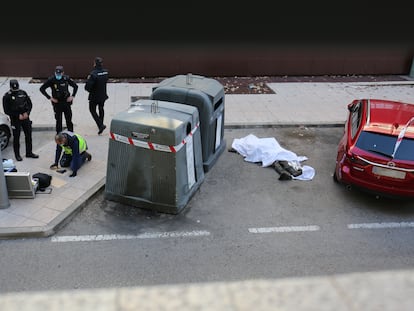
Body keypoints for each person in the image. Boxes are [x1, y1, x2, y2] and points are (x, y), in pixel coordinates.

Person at [2, 79, 39, 161]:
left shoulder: (23, 93)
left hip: (25, 117)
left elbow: (29, 104)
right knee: (16, 137)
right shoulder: (6, 96)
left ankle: (29, 152)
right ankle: (17, 155)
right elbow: (6, 110)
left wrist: (27, 113)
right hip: (16, 119)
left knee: (28, 135)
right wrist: (17, 115)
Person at [40, 65, 78, 133]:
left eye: (59, 74)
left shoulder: (66, 79)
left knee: (69, 120)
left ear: (63, 73)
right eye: (57, 73)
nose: (58, 75)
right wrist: (50, 98)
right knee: (58, 121)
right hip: (57, 103)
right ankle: (59, 136)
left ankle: (71, 134)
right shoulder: (51, 80)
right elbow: (42, 89)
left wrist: (72, 96)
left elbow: (75, 86)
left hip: (66, 102)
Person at [85, 56, 109, 135]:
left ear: (95, 64)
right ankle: (101, 123)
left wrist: (88, 80)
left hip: (94, 96)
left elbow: (87, 87)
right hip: (103, 95)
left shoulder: (93, 74)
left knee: (92, 110)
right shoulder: (106, 72)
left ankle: (100, 125)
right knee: (101, 108)